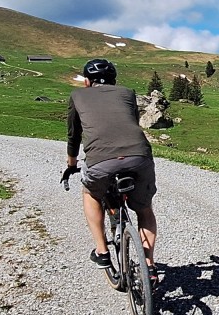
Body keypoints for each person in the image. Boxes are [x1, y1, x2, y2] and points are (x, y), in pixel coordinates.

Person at [65, 58, 158, 279]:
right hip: (139, 156)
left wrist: (71, 164)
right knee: (144, 209)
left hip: (101, 160)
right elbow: (131, 122)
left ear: (87, 82)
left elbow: (73, 135)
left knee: (90, 194)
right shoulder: (127, 93)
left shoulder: (77, 95)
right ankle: (149, 265)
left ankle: (102, 251)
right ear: (114, 81)